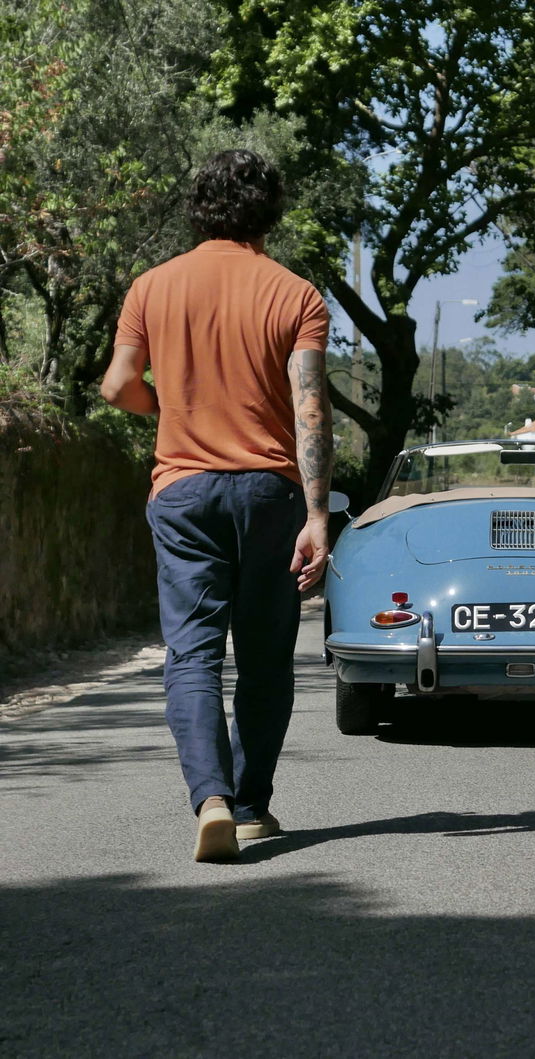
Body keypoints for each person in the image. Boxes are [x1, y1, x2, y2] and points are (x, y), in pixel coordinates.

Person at [101, 149, 333, 862]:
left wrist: (171, 408)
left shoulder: (152, 287)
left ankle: (209, 800)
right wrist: (318, 515)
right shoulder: (297, 296)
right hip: (269, 493)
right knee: (265, 659)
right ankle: (252, 803)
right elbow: (311, 411)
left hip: (182, 491)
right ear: (270, 214)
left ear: (197, 207)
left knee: (193, 655)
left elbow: (116, 388)